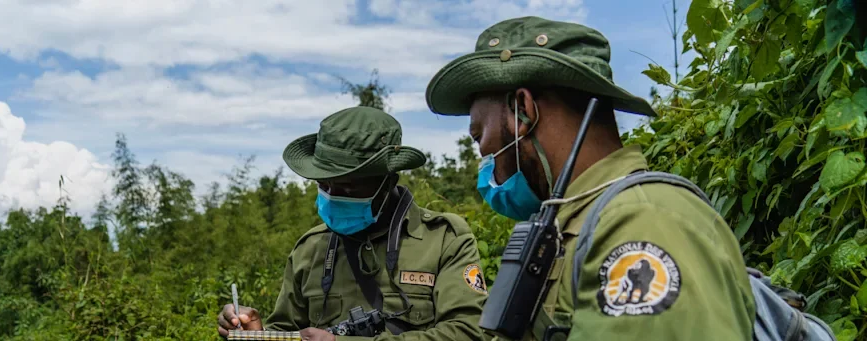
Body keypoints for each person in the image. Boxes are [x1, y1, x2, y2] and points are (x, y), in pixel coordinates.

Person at [423, 16, 756, 340]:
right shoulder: (575, 226)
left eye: (479, 135)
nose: (483, 157)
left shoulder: (640, 224)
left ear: (522, 110)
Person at [216, 106, 489, 341]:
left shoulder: (443, 239)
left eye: (347, 189)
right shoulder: (309, 250)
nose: (333, 197)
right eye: (324, 186)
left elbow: (468, 332)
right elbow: (289, 330)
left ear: (387, 182)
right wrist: (259, 333)